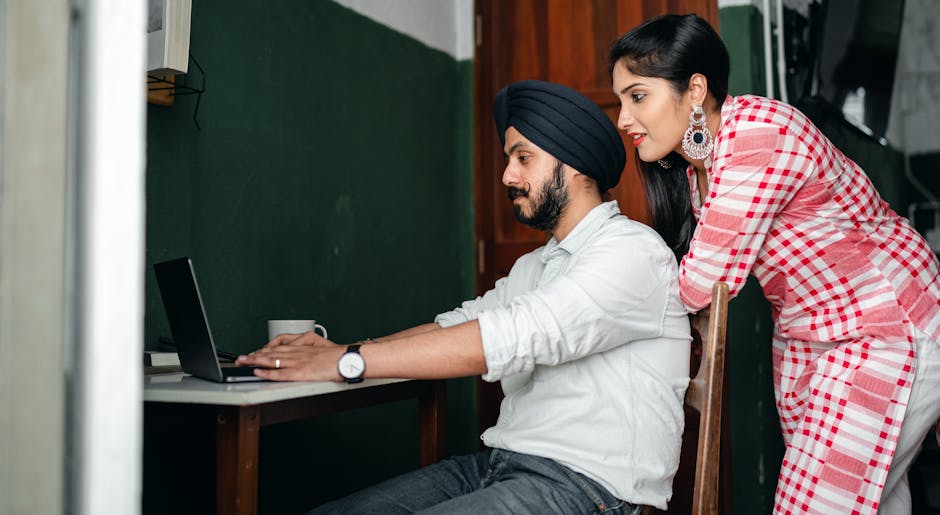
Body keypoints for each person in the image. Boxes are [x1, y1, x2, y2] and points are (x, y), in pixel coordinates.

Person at [236, 79, 691, 514]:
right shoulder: (535, 265)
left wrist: (346, 363)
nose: (507, 175)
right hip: (498, 465)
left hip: (587, 487)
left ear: (575, 165)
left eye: (523, 157)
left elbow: (513, 335)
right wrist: (344, 350)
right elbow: (457, 325)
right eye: (509, 158)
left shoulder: (632, 251)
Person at [608, 13, 940, 515]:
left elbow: (702, 285)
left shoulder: (756, 136)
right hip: (823, 340)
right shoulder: (700, 170)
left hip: (887, 326)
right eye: (621, 101)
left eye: (637, 97)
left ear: (695, 90)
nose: (623, 119)